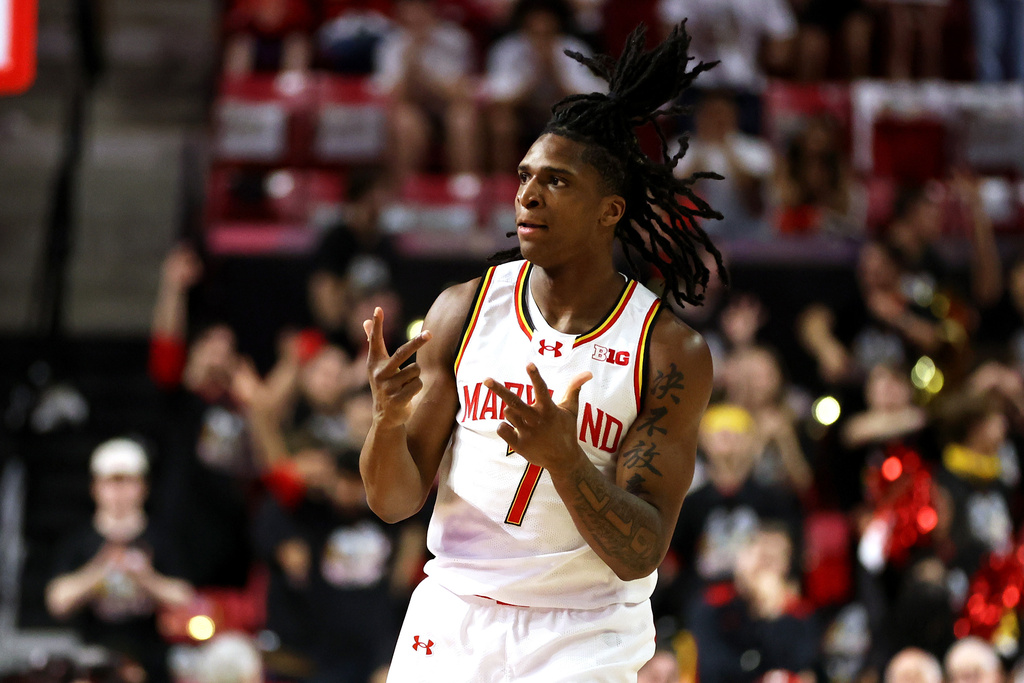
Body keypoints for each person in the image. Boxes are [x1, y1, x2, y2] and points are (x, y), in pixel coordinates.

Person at [359, 23, 722, 681]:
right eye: (525, 176)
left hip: (584, 629)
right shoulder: (464, 310)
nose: (526, 194)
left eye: (556, 182)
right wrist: (385, 422)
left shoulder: (666, 350)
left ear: (610, 210)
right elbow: (393, 500)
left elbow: (640, 550)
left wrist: (566, 459)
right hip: (456, 608)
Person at [46, 438, 194, 683]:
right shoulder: (79, 541)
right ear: (95, 487)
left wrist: (145, 577)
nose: (119, 493)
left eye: (128, 483)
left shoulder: (162, 538)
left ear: (144, 486)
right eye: (111, 483)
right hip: (93, 658)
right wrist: (99, 570)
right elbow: (56, 601)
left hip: (151, 660)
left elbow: (186, 597)